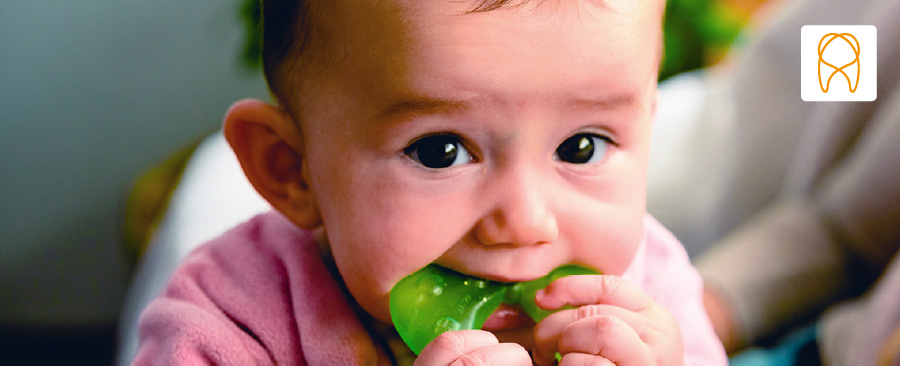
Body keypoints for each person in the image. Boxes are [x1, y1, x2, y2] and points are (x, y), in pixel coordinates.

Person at [131, 0, 727, 364]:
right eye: (440, 152)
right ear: (293, 168)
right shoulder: (233, 318)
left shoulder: (653, 293)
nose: (523, 222)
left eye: (582, 146)